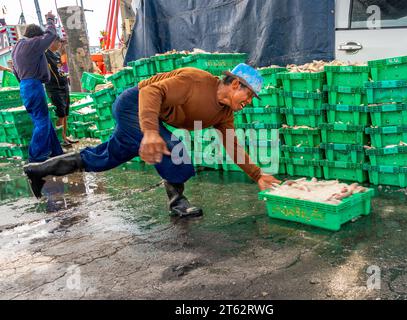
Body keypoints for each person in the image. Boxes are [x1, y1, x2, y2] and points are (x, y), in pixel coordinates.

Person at [23, 64, 281, 217]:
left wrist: (257, 174)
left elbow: (232, 144)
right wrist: (149, 132)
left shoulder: (224, 113)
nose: (247, 103)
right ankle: (177, 203)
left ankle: (37, 170)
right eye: (248, 96)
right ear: (235, 84)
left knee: (103, 159)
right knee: (175, 151)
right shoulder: (195, 81)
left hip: (148, 117)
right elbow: (150, 90)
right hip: (133, 103)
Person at [11, 11, 63, 163]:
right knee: (41, 121)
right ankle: (35, 157)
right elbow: (51, 34)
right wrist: (50, 19)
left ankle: (56, 151)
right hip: (33, 85)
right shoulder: (32, 44)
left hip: (25, 86)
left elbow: (15, 71)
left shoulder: (16, 49)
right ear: (35, 37)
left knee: (43, 119)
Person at [45, 36, 74, 146]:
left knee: (65, 113)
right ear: (51, 42)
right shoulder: (45, 54)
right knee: (60, 114)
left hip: (64, 86)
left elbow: (63, 68)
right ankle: (59, 139)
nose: (59, 45)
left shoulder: (57, 54)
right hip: (54, 88)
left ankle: (64, 136)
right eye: (58, 42)